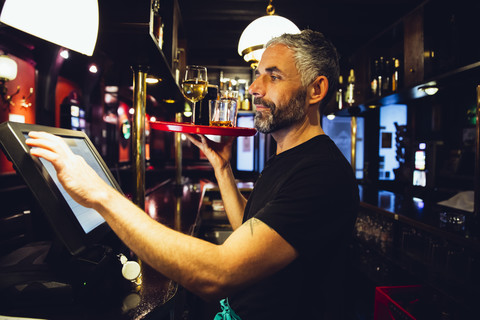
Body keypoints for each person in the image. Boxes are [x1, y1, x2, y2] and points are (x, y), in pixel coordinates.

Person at [25, 29, 359, 319]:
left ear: (316, 90)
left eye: (273, 76)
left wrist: (100, 194)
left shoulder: (321, 173)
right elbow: (252, 229)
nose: (255, 88)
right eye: (257, 75)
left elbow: (219, 272)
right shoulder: (286, 158)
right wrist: (223, 169)